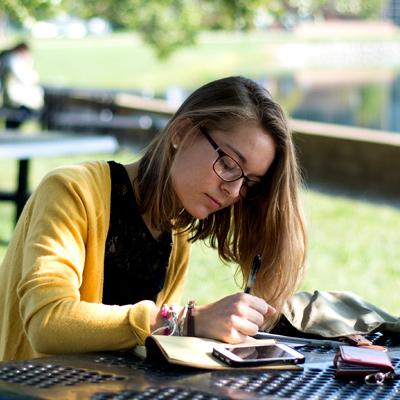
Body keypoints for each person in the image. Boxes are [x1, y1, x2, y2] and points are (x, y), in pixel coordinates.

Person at [0, 76, 306, 361]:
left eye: (249, 182)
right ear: (181, 132)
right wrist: (185, 320)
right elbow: (47, 324)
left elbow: (143, 346)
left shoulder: (177, 236)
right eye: (228, 163)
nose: (234, 189)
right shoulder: (71, 191)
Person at [0, 41, 43, 129]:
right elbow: (27, 79)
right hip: (16, 100)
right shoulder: (12, 59)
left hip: (12, 99)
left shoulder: (9, 57)